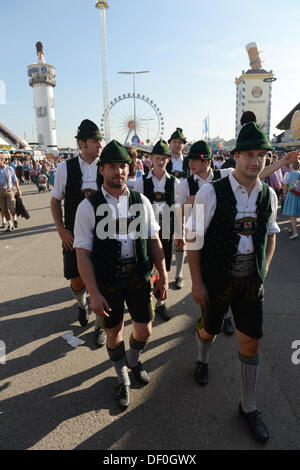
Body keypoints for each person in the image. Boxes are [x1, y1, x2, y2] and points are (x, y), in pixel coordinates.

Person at [186, 122, 281, 443]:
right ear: (236, 156)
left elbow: (270, 236)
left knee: (251, 341)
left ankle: (248, 405)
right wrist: (197, 282)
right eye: (249, 155)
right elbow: (193, 238)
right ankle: (201, 359)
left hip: (250, 282)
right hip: (217, 280)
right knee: (209, 330)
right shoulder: (212, 191)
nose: (256, 162)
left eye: (262, 156)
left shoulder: (269, 194)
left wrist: (263, 270)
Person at [73, 140, 168, 409]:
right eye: (112, 166)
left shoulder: (141, 201)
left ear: (131, 168)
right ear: (101, 170)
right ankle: (121, 375)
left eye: (123, 165)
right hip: (107, 280)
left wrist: (163, 273)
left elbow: (153, 240)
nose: (119, 171)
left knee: (145, 329)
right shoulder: (88, 207)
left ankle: (134, 359)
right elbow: (82, 253)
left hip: (138, 275)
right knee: (114, 332)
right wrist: (93, 293)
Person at [50, 119, 107, 347]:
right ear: (81, 143)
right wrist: (61, 230)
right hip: (73, 234)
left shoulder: (106, 165)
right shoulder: (66, 167)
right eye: (95, 140)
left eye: (100, 140)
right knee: (76, 279)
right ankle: (81, 303)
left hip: (103, 234)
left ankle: (99, 325)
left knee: (102, 281)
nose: (99, 144)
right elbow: (55, 201)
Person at [177, 140, 235, 335]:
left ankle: (226, 316)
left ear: (207, 161)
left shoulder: (224, 175)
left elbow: (255, 175)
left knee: (226, 278)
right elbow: (177, 212)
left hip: (224, 237)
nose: (190, 164)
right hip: (199, 239)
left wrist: (281, 162)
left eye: (194, 160)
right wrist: (189, 203)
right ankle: (207, 316)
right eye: (189, 159)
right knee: (203, 280)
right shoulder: (185, 184)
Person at [135, 139, 181, 321]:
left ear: (168, 160)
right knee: (147, 266)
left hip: (167, 228)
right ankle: (146, 299)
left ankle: (161, 302)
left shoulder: (175, 182)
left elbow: (177, 209)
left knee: (164, 266)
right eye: (157, 158)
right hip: (147, 229)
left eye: (163, 158)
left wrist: (179, 232)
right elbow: (137, 208)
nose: (160, 161)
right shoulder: (141, 181)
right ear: (151, 159)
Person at [166, 128, 189, 289]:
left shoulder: (188, 162)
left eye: (180, 142)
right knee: (164, 240)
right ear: (170, 144)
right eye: (174, 141)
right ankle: (162, 275)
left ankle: (179, 274)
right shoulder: (164, 160)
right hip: (166, 205)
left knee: (181, 241)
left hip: (184, 205)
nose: (177, 144)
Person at [0, 154, 21, 232]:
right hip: (0, 192)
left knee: (11, 207)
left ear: (3, 160)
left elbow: (15, 180)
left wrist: (18, 189)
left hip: (9, 191)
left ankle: (15, 218)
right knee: (4, 210)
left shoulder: (10, 169)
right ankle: (10, 224)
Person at [282, 159, 300, 239]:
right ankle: (292, 228)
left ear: (291, 165)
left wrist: (284, 194)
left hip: (292, 195)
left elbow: (285, 186)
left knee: (292, 214)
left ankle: (295, 232)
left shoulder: (288, 174)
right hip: (299, 194)